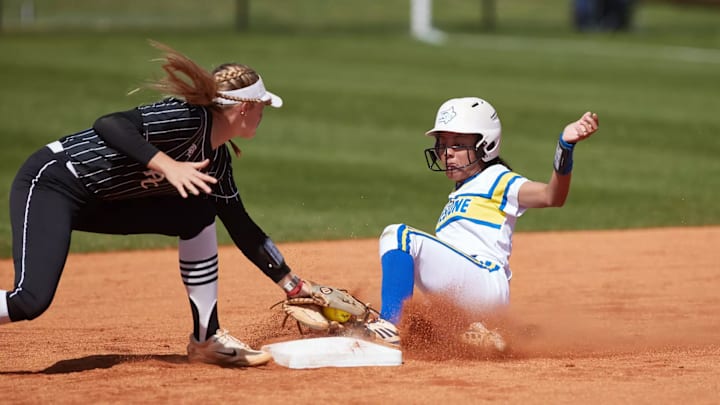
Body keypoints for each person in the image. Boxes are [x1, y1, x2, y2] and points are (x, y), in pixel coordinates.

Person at [0, 41, 316, 367]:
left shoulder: (217, 160)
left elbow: (242, 227)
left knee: (198, 213)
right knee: (30, 300)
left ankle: (207, 339)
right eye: (262, 105)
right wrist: (167, 165)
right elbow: (109, 123)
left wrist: (294, 285)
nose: (264, 112)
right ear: (245, 108)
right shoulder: (186, 118)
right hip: (52, 183)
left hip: (102, 201)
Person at [375, 97, 599, 348]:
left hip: (484, 279)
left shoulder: (497, 179)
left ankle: (390, 328)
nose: (447, 153)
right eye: (443, 144)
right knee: (424, 328)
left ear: (486, 145)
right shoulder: (460, 193)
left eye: (458, 144)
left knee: (398, 235)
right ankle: (482, 335)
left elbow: (551, 196)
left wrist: (564, 147)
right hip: (475, 293)